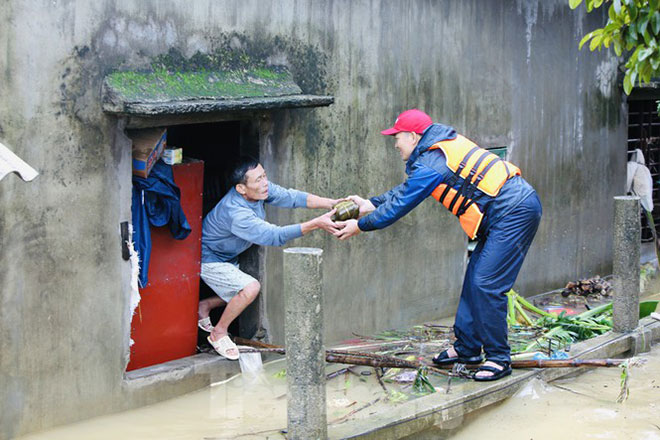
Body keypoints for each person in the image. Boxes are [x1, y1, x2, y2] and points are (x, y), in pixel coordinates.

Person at [334, 109, 542, 381]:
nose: (395, 144)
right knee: (474, 282)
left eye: (397, 138)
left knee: (485, 285)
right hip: (501, 214)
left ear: (412, 136)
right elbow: (406, 190)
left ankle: (498, 359)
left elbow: (401, 204)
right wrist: (369, 204)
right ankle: (467, 349)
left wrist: (360, 225)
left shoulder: (434, 160)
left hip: (514, 211)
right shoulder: (432, 155)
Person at [199, 156, 339, 360]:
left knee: (242, 293)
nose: (265, 183)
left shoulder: (259, 190)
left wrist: (331, 203)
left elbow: (292, 197)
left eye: (264, 176)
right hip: (210, 258)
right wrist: (317, 223)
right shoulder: (236, 212)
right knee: (250, 288)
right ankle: (218, 333)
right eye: (258, 179)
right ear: (241, 188)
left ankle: (205, 306)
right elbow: (275, 236)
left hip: (228, 254)